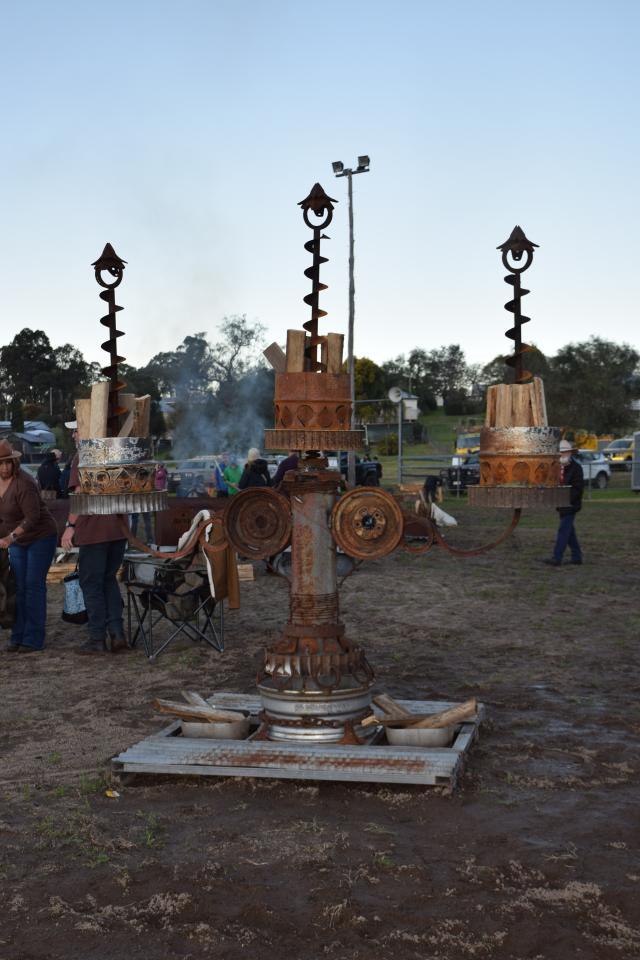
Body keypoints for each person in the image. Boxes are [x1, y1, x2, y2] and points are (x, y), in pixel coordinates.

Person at [60, 421, 129, 654]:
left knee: (91, 583)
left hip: (94, 530)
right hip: (118, 529)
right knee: (108, 580)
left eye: (77, 430)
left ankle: (97, 638)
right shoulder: (115, 452)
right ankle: (117, 633)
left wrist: (70, 525)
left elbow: (80, 494)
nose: (73, 435)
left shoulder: (83, 456)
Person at [0, 439, 58, 652]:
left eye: (8, 462)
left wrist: (10, 537)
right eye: (0, 463)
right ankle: (18, 635)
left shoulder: (24, 483)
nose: (4, 467)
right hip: (16, 539)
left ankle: (33, 638)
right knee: (18, 587)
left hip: (40, 536)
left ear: (14, 462)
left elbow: (32, 517)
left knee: (33, 585)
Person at [543, 439, 584, 567]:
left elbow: (577, 489)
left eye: (565, 452)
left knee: (563, 530)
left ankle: (557, 557)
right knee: (569, 531)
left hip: (571, 505)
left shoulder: (576, 468)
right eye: (561, 453)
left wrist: (565, 499)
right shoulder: (556, 468)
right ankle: (577, 556)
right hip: (561, 504)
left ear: (570, 453)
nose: (562, 455)